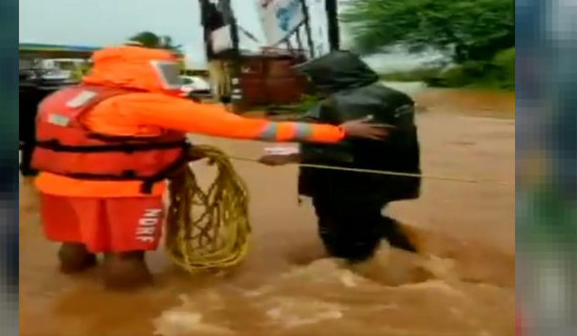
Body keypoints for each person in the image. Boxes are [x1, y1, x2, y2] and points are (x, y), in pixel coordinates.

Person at [30, 46, 393, 289]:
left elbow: (103, 140)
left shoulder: (64, 96)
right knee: (125, 255)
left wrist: (176, 153)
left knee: (75, 245)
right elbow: (249, 128)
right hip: (120, 191)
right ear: (148, 71)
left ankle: (77, 303)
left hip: (56, 185)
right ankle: (132, 315)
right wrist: (339, 131)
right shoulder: (143, 103)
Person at [260, 51, 421, 263]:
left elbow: (345, 152)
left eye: (313, 77)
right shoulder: (396, 97)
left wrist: (291, 157)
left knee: (344, 244)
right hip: (384, 181)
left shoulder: (340, 104)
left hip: (344, 186)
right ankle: (411, 254)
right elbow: (373, 147)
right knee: (368, 222)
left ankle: (361, 285)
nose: (310, 82)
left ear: (331, 77)